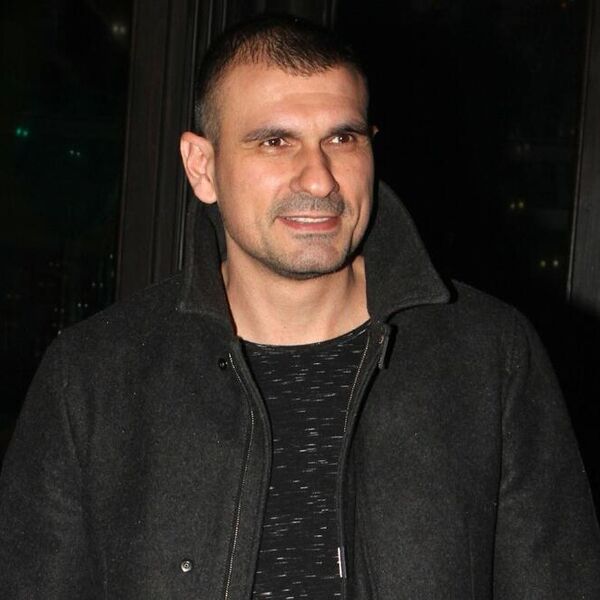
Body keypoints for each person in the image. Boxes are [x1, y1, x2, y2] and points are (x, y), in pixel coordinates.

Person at [1, 14, 599, 600]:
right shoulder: (92, 376)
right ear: (202, 167)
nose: (319, 179)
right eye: (275, 141)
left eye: (342, 138)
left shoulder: (489, 356)